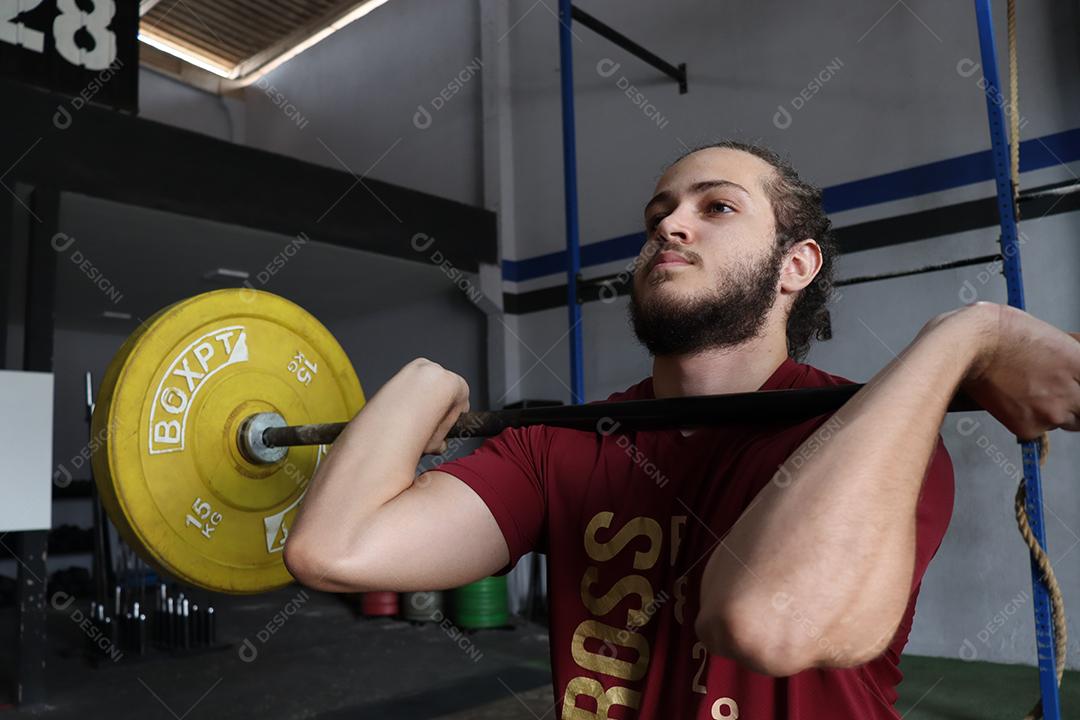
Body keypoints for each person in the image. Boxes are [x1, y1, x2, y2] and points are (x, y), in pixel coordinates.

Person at [284, 141, 1080, 719]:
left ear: (795, 266)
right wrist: (429, 379)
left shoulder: (872, 434)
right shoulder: (562, 444)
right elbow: (335, 550)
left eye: (717, 207)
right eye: (659, 214)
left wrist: (965, 335)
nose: (670, 227)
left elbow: (769, 623)